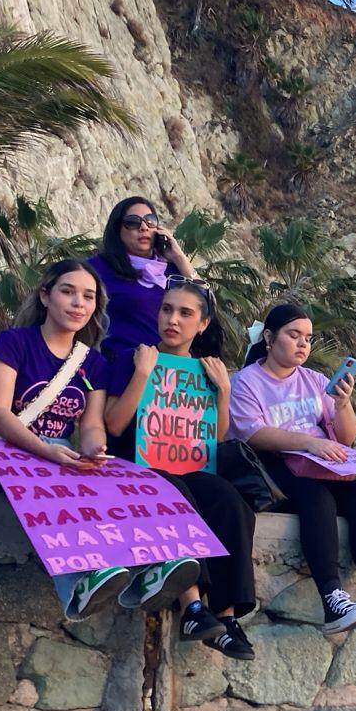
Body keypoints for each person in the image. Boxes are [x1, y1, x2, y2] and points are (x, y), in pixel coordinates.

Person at [0, 260, 202, 621]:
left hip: (54, 450)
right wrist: (45, 450)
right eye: (68, 292)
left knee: (125, 477)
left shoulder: (93, 363)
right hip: (5, 447)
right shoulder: (14, 342)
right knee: (50, 484)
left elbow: (92, 426)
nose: (77, 303)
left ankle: (156, 568)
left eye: (88, 297)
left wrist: (94, 450)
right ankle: (80, 581)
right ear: (45, 296)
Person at [230, 303, 356, 640]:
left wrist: (343, 404)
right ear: (269, 338)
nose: (303, 344)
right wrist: (307, 443)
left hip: (320, 465)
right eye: (294, 335)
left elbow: (346, 437)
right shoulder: (247, 381)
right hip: (276, 466)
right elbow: (251, 433)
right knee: (317, 499)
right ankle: (332, 598)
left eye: (308, 338)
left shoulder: (315, 380)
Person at [103, 278, 261, 659]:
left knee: (230, 501)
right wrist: (143, 373)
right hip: (137, 468)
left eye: (185, 313)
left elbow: (215, 435)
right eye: (167, 310)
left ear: (202, 324)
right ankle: (192, 606)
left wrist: (223, 392)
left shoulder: (207, 368)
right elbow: (113, 424)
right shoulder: (132, 358)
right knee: (177, 493)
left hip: (188, 465)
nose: (172, 319)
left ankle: (226, 615)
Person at [87, 197, 200, 392]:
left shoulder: (173, 270)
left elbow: (206, 305)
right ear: (117, 229)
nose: (143, 227)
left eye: (150, 221)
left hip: (170, 374)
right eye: (132, 222)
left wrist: (180, 258)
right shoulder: (99, 268)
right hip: (121, 370)